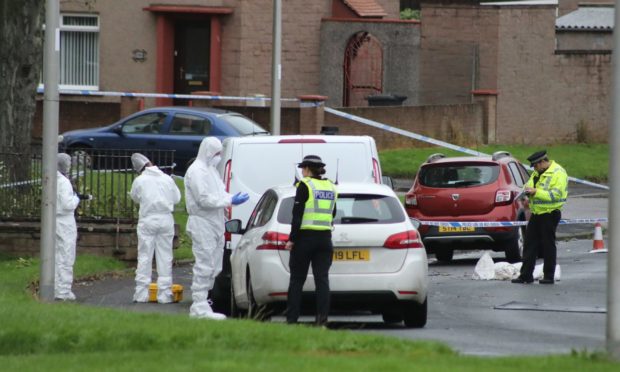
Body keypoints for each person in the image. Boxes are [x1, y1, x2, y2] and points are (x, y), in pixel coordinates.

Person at [185, 137, 248, 319]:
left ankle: (205, 303)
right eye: (217, 153)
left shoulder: (211, 170)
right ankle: (199, 305)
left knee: (214, 265)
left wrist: (230, 197)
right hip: (202, 222)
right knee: (204, 263)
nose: (219, 157)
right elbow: (203, 199)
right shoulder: (196, 171)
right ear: (208, 152)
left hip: (215, 222)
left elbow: (219, 193)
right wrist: (229, 200)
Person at [285, 155, 337, 326]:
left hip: (305, 239)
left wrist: (292, 239)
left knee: (297, 280)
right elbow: (333, 212)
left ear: (307, 169)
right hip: (325, 238)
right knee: (322, 280)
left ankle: (292, 320)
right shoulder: (331, 186)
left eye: (302, 168)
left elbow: (297, 215)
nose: (301, 171)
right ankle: (322, 320)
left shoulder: (305, 185)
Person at [129, 153, 181, 303]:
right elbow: (177, 198)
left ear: (138, 169)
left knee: (145, 255)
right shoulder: (167, 179)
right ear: (150, 162)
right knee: (165, 255)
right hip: (165, 219)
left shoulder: (140, 180)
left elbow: (135, 197)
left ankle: (141, 294)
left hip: (148, 219)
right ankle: (164, 294)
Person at [512, 150, 568, 285]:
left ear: (543, 162)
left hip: (550, 213)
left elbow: (556, 195)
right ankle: (526, 275)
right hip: (536, 213)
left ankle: (549, 275)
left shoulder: (558, 173)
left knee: (548, 245)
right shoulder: (537, 173)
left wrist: (536, 192)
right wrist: (526, 195)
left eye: (536, 166)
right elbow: (528, 185)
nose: (534, 169)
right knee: (529, 243)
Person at [55, 153, 84, 301]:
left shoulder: (52, 179)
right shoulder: (64, 182)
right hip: (65, 221)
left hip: (53, 221)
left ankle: (54, 287)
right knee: (67, 255)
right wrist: (77, 198)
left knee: (55, 255)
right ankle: (64, 291)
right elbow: (68, 204)